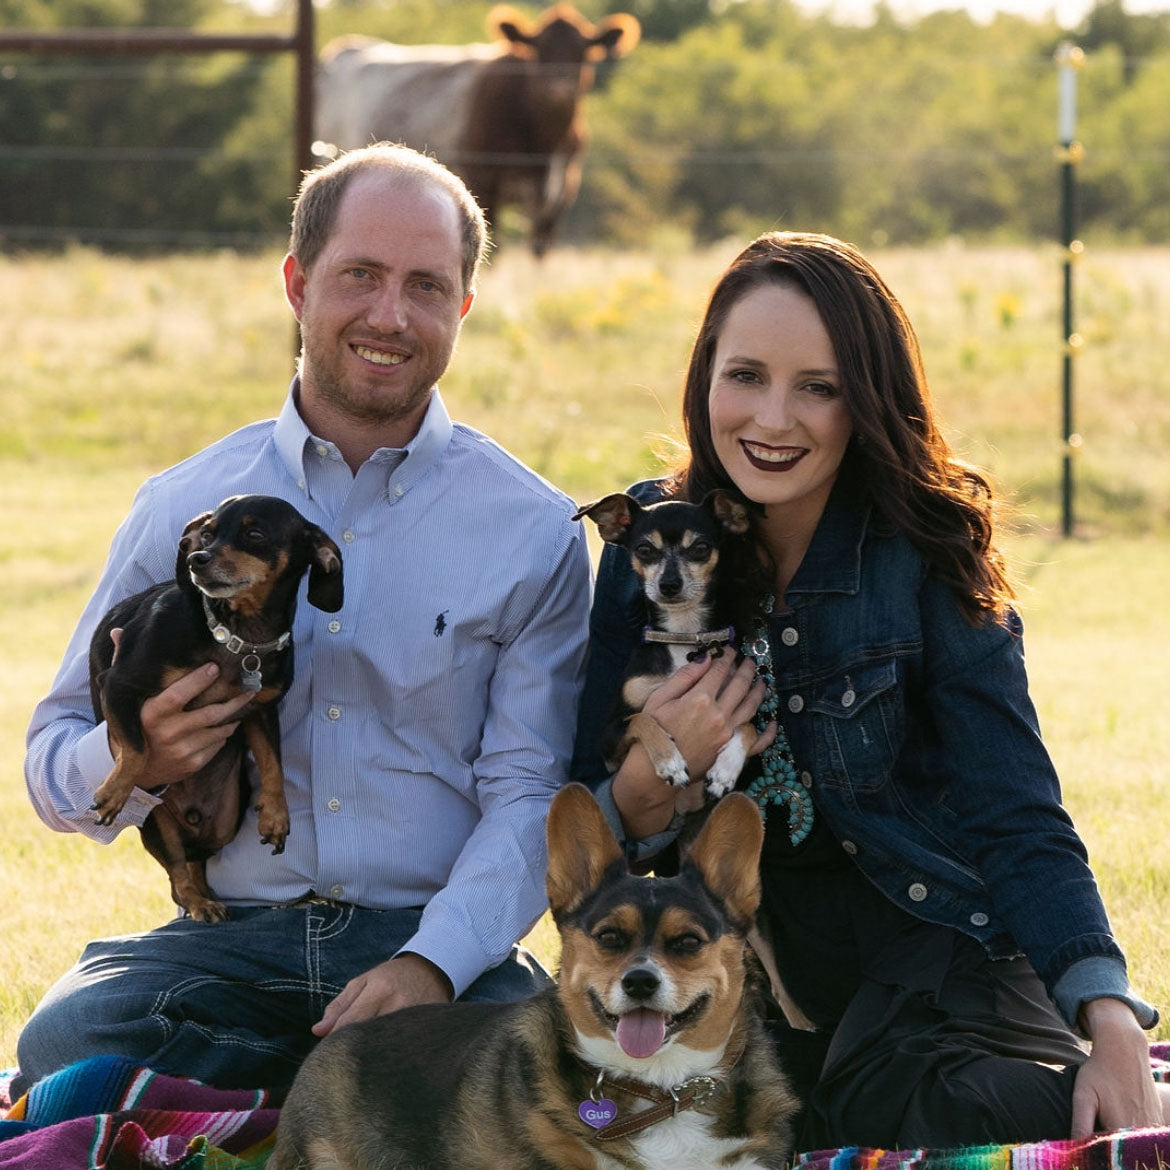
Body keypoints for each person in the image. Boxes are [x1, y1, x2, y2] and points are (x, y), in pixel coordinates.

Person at [16, 143, 591, 1096]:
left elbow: (529, 791)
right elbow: (50, 765)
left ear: (464, 307)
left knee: (546, 1065)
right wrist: (141, 762)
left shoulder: (532, 531)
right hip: (229, 944)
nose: (390, 316)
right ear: (297, 282)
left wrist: (435, 964)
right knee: (70, 1036)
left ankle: (268, 1106)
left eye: (426, 286)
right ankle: (353, 1101)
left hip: (428, 937)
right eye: (359, 276)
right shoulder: (183, 507)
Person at [571, 231, 1168, 1147]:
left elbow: (1017, 811)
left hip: (932, 956)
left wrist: (1107, 1011)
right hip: (744, 972)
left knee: (920, 1106)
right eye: (747, 376)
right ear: (705, 381)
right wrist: (652, 780)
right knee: (638, 1121)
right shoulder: (656, 542)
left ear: (867, 401)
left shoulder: (921, 552)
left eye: (821, 387)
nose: (774, 420)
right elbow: (586, 822)